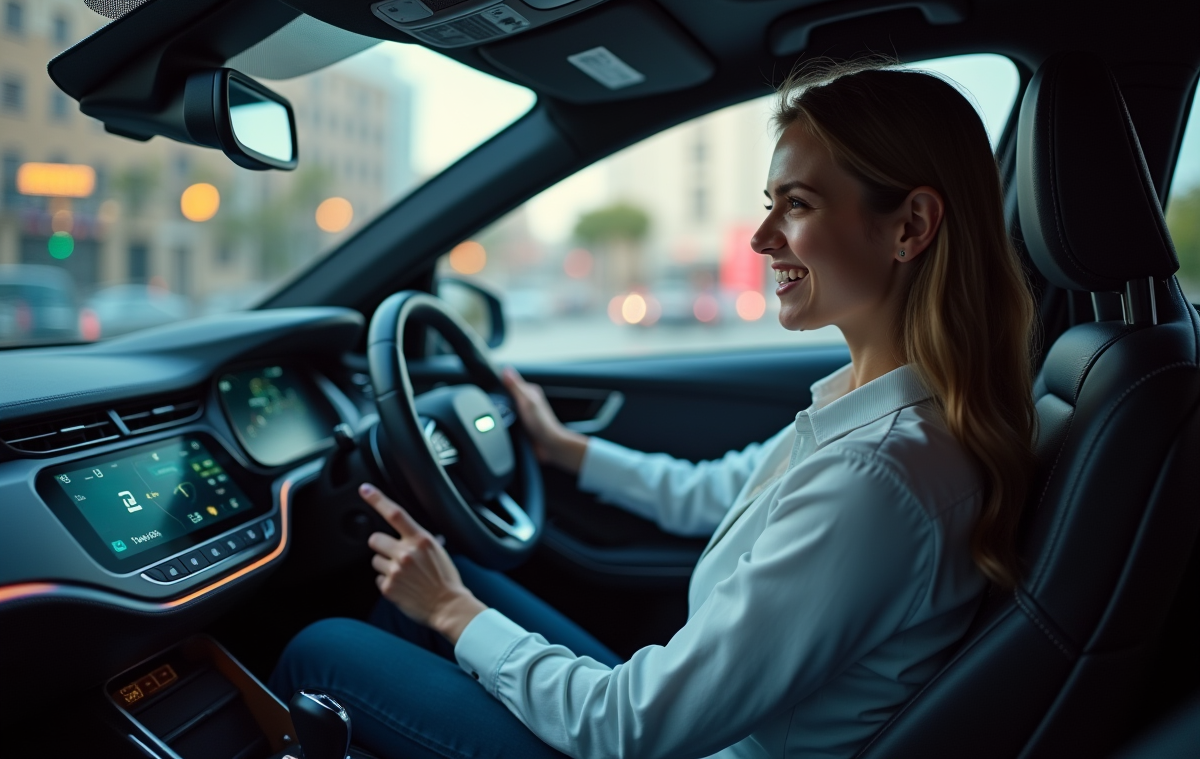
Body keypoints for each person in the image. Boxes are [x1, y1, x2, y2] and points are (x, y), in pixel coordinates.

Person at [270, 61, 1037, 759]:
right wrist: (563, 448)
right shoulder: (878, 411)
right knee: (433, 590)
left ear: (910, 227)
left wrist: (454, 612)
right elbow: (715, 494)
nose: (764, 238)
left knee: (324, 647)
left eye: (796, 205)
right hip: (687, 731)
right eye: (768, 205)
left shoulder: (878, 477)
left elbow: (631, 727)